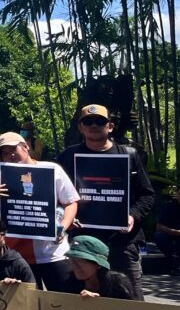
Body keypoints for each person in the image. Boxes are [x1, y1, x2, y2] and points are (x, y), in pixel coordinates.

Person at [57, 104, 156, 299]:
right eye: (88, 121)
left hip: (122, 241)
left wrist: (132, 216)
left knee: (132, 300)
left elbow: (147, 194)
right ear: (80, 127)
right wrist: (66, 217)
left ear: (110, 126)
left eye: (100, 121)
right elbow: (56, 195)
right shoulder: (68, 156)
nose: (94, 125)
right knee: (85, 300)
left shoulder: (128, 154)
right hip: (84, 242)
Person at [0, 131, 80, 292]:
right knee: (27, 308)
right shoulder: (2, 176)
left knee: (64, 303)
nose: (10, 155)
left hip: (54, 253)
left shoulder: (52, 169)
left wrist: (62, 227)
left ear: (26, 147)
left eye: (13, 150)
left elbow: (71, 202)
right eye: (5, 153)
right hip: (19, 256)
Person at [66, 235, 141, 300]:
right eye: (72, 260)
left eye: (81, 261)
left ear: (98, 264)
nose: (75, 266)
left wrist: (99, 302)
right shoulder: (70, 284)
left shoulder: (118, 285)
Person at [154, 189, 180, 277]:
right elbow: (159, 226)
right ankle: (174, 264)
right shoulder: (169, 207)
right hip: (171, 235)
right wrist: (174, 232)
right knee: (158, 236)